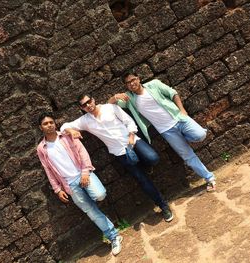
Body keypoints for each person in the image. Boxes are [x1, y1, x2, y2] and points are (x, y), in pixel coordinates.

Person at [60, 94, 174, 222]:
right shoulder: (85, 121)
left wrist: (131, 135)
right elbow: (63, 127)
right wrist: (71, 131)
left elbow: (128, 121)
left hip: (132, 142)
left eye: (89, 102)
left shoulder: (110, 108)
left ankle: (145, 166)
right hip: (119, 152)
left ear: (93, 99)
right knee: (142, 179)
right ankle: (163, 205)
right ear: (81, 108)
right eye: (84, 105)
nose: (88, 106)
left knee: (153, 158)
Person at [108, 70, 216, 192]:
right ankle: (209, 178)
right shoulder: (129, 99)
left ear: (138, 78)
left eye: (133, 80)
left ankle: (184, 138)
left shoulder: (154, 84)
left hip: (179, 118)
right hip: (166, 131)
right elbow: (109, 106)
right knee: (187, 156)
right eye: (128, 83)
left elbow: (172, 93)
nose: (132, 83)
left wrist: (182, 110)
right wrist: (115, 97)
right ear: (126, 86)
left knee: (200, 135)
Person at [36, 112, 122, 256]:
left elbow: (82, 152)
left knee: (100, 195)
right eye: (45, 123)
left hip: (84, 174)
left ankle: (96, 209)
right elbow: (48, 170)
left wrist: (85, 172)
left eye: (51, 122)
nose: (49, 125)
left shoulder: (66, 135)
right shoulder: (41, 148)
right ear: (41, 127)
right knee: (92, 213)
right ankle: (114, 236)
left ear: (55, 123)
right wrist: (57, 189)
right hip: (69, 185)